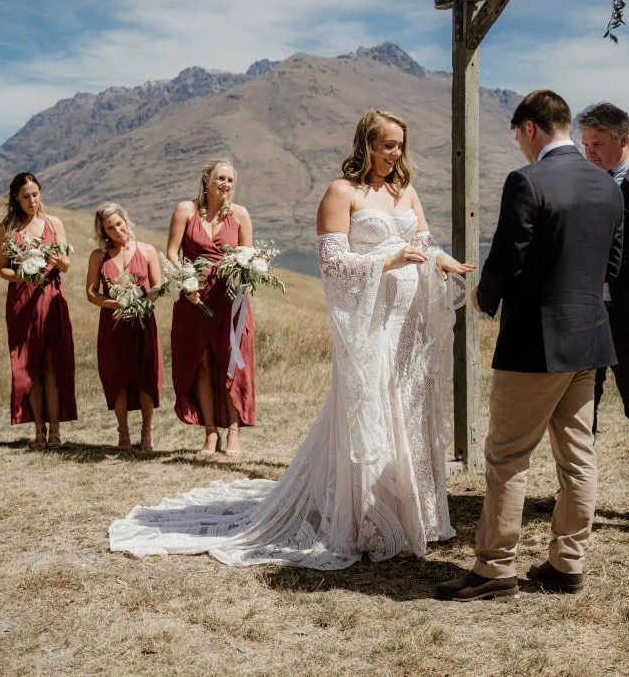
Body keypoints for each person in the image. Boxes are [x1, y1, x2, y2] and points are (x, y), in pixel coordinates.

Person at [110, 110, 476, 568]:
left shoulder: (407, 192)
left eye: (400, 145)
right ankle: (365, 517)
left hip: (405, 323)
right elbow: (333, 263)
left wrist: (440, 260)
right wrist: (386, 259)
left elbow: (424, 241)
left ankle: (410, 511)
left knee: (404, 405)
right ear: (365, 145)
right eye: (387, 145)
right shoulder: (340, 193)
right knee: (369, 409)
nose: (395, 154)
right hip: (367, 325)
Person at [436, 90, 624, 601]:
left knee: (507, 457)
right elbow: (611, 265)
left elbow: (507, 256)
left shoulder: (528, 181)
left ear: (529, 129)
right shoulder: (607, 184)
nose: (519, 147)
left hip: (535, 345)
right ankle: (567, 564)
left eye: (518, 136)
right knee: (578, 456)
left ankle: (495, 568)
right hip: (589, 341)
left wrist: (483, 297)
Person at [537, 103, 629, 533]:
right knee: (582, 405)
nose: (590, 154)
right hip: (587, 310)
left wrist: (612, 259)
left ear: (624, 139)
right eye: (584, 145)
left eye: (597, 145)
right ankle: (572, 490)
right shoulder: (580, 181)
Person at [165, 159, 255, 457]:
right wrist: (185, 282)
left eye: (230, 180)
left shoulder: (241, 215)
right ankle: (210, 434)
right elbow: (172, 252)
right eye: (220, 178)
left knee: (230, 364)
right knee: (201, 364)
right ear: (206, 179)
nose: (225, 184)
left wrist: (243, 272)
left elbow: (248, 256)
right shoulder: (185, 210)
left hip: (230, 300)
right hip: (194, 298)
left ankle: (233, 432)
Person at [0, 172, 78, 449]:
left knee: (53, 366)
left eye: (35, 194)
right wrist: (23, 275)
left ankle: (55, 430)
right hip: (22, 301)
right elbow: (3, 269)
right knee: (28, 367)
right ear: (15, 199)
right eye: (25, 197)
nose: (32, 200)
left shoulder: (54, 223)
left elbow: (66, 264)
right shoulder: (7, 228)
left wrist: (56, 260)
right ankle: (38, 430)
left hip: (52, 298)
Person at [86, 202, 164, 450]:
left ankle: (147, 432)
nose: (117, 230)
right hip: (113, 326)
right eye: (110, 228)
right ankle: (123, 434)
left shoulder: (147, 250)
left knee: (146, 377)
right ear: (104, 231)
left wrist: (140, 303)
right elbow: (91, 293)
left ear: (126, 220)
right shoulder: (98, 257)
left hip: (142, 323)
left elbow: (157, 287)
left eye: (119, 224)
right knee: (117, 378)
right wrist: (116, 303)